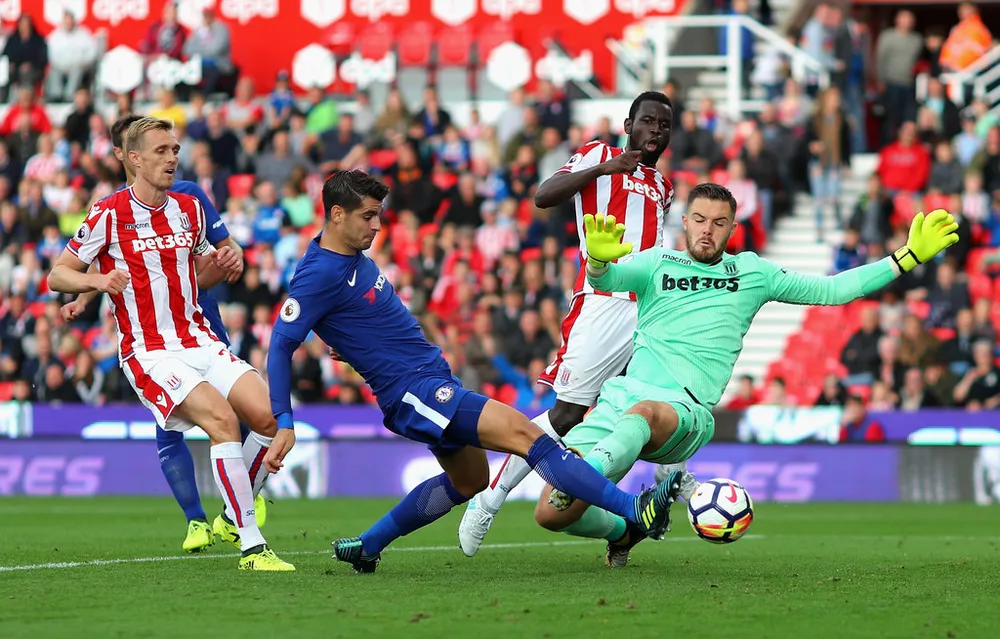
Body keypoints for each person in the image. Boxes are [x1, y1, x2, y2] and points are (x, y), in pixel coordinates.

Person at [266, 170, 681, 574]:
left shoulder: (350, 258)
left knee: (471, 480)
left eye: (379, 215)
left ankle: (369, 546)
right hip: (415, 392)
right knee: (528, 436)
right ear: (337, 214)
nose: (377, 225)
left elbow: (355, 316)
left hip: (431, 382)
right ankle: (633, 508)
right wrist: (285, 420)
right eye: (368, 216)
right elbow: (281, 343)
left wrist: (356, 343)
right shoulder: (319, 273)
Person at [531, 184, 958, 566]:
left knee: (642, 415)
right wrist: (599, 263)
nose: (707, 230)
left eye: (718, 223)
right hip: (618, 402)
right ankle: (627, 530)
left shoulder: (752, 273)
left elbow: (834, 290)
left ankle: (599, 484)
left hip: (685, 412)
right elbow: (608, 277)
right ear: (684, 221)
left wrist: (906, 258)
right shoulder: (657, 262)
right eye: (699, 219)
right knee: (550, 514)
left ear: (731, 229)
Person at [48, 117, 293, 571]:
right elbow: (57, 274)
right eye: (161, 150)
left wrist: (229, 258)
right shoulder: (107, 213)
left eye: (175, 149)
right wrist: (99, 281)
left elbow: (202, 272)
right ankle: (252, 547)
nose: (172, 157)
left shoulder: (190, 208)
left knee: (270, 418)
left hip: (199, 337)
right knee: (222, 421)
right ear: (134, 158)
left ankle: (228, 515)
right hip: (149, 351)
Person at [459, 91, 697, 557]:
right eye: (647, 122)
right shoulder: (598, 154)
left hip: (649, 305)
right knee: (568, 415)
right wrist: (604, 171)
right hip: (605, 302)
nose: (655, 132)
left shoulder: (664, 186)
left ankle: (666, 481)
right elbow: (542, 196)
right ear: (628, 124)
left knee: (666, 396)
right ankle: (491, 498)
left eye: (664, 126)